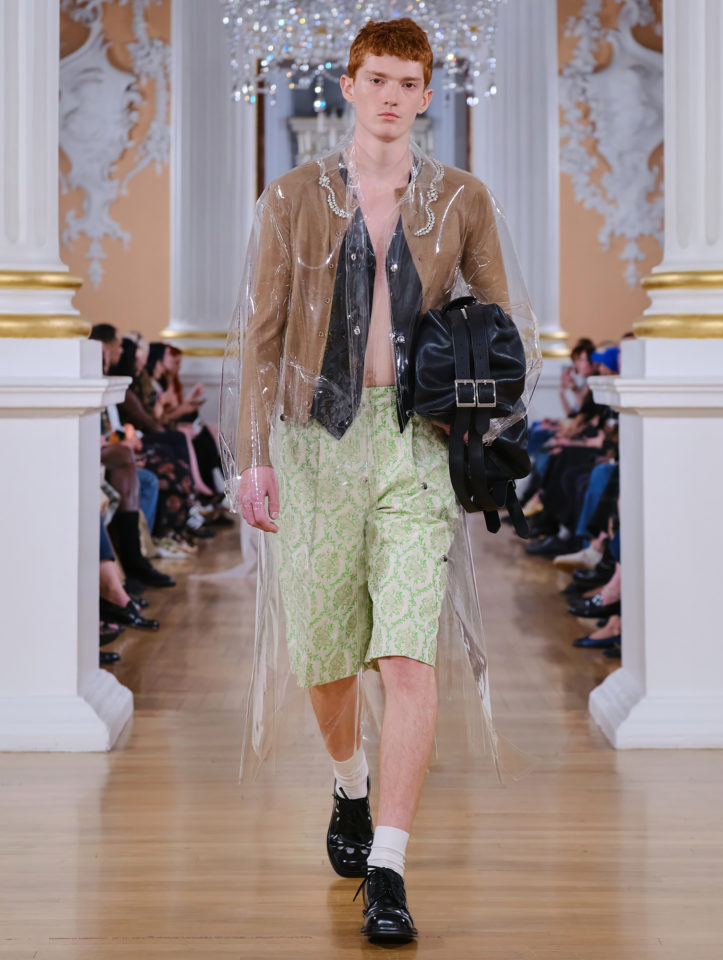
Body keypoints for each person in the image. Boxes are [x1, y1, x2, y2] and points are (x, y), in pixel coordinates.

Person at [220, 18, 539, 943]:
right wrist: (253, 456)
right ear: (350, 86)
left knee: (406, 654)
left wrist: (480, 424)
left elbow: (501, 323)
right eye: (378, 79)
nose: (392, 95)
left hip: (415, 444)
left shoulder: (463, 198)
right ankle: (348, 784)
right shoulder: (291, 197)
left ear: (427, 94)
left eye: (408, 82)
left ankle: (389, 868)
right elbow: (261, 335)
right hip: (312, 444)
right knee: (324, 655)